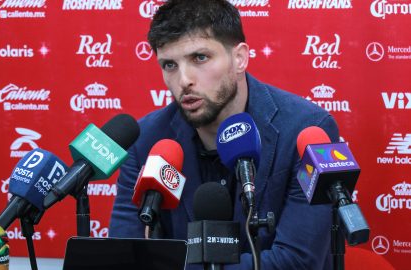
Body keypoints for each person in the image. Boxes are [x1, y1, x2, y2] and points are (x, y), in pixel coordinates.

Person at [109, 0, 339, 269]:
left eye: (200, 58)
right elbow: (126, 254)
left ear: (239, 58)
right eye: (170, 65)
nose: (184, 80)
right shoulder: (146, 140)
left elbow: (298, 261)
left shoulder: (307, 130)